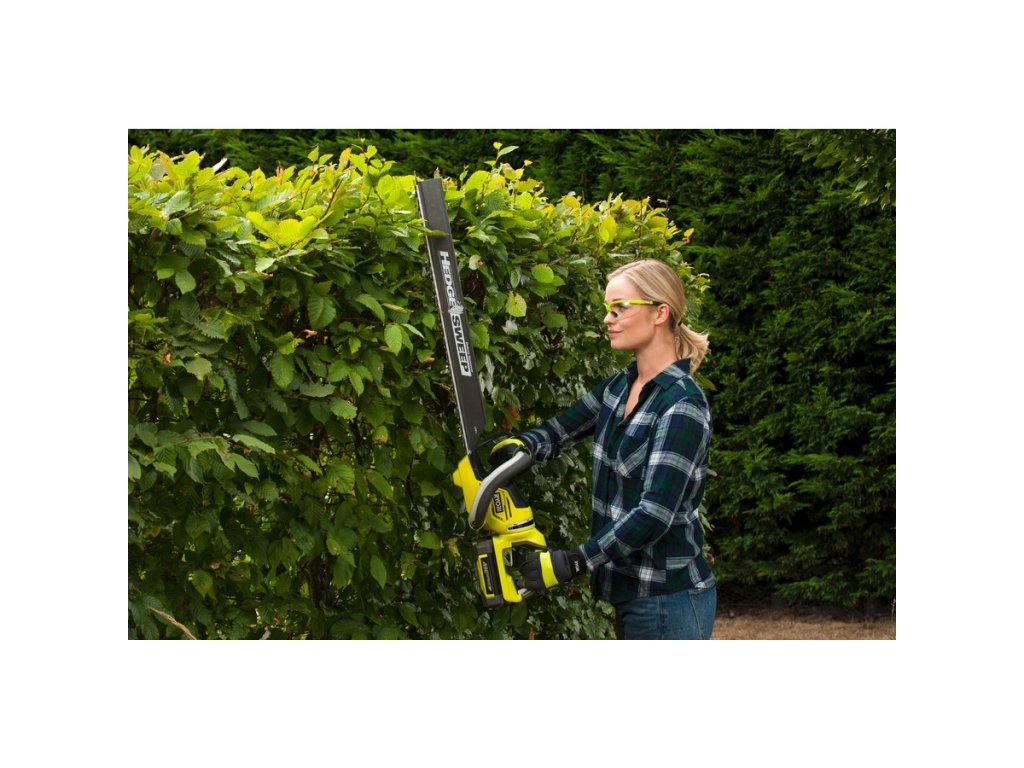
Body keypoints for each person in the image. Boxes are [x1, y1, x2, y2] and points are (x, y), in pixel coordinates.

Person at [505, 259, 716, 639]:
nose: (608, 318)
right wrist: (519, 447)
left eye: (619, 308)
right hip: (630, 593)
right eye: (608, 308)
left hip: (668, 600)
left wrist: (573, 561)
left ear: (660, 313)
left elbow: (653, 514)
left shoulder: (681, 405)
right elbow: (560, 431)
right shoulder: (620, 387)